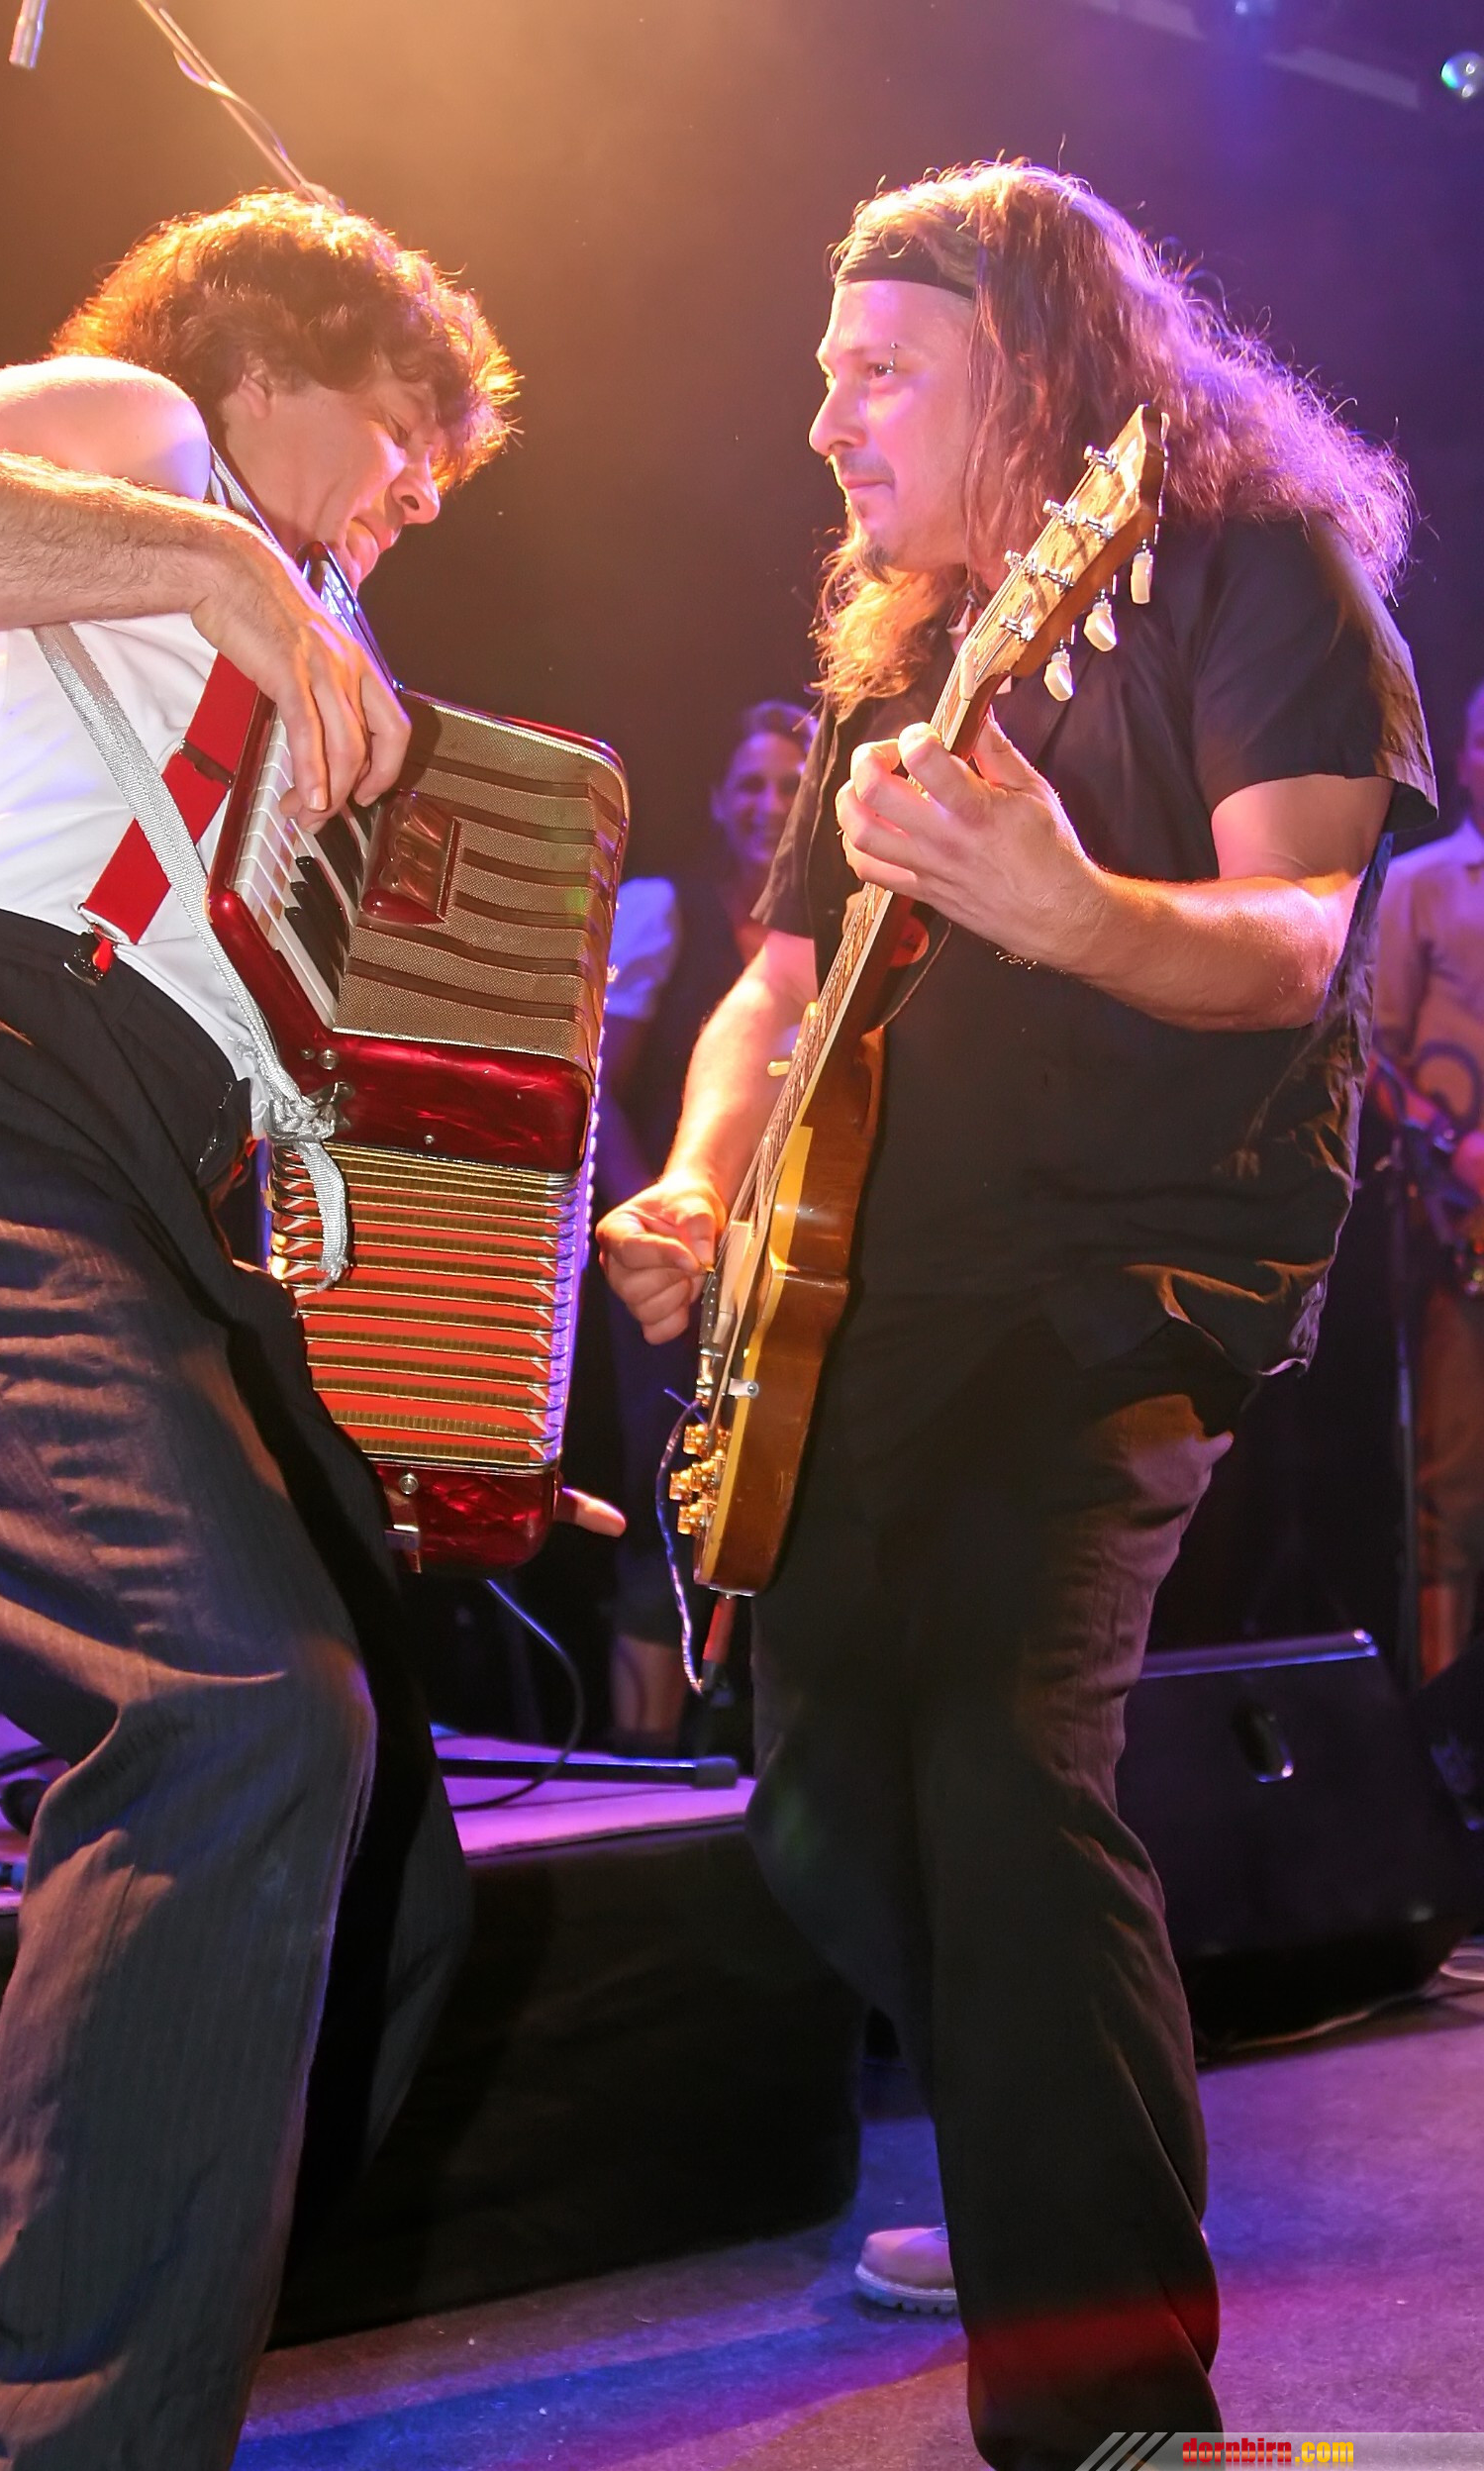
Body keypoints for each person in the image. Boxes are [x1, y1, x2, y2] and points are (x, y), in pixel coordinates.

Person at [599, 161, 1435, 2470]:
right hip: (867, 1298)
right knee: (816, 1815)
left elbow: (1292, 939)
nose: (825, 421)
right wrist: (699, 1175)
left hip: (1125, 1278)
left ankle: (1111, 2409)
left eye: (880, 370)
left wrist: (1065, 909)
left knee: (996, 1763)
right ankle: (1031, 2133)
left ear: (1036, 365)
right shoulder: (898, 663)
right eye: (822, 375)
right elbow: (774, 983)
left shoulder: (1247, 571)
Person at [0, 190, 515, 2470]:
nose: (422, 493)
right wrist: (215, 556)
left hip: (155, 1165)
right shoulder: (135, 424)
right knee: (233, 1707)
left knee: (384, 1845)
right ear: (271, 361)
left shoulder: (304, 645)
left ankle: (130, 2369)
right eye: (409, 431)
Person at [596, 701, 813, 1750]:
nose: (770, 805)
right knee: (670, 1510)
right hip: (679, 1264)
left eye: (790, 786)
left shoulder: (848, 931)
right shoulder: (664, 912)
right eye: (751, 786)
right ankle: (646, 1771)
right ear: (721, 803)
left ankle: (750, 1764)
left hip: (799, 1268)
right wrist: (671, 1226)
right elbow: (598, 1094)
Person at [1374, 678, 1484, 1678]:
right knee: (1453, 1485)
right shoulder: (1420, 885)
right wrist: (1452, 1143)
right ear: (1462, 759)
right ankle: (1447, 1723)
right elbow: (1369, 1050)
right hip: (1464, 1231)